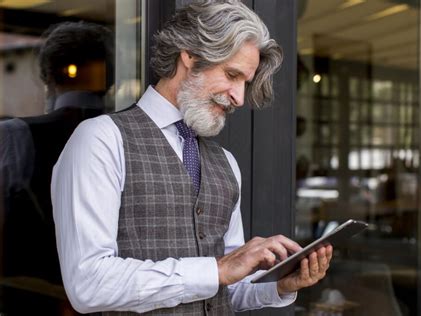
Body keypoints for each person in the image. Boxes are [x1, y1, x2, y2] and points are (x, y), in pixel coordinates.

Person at [51, 1, 333, 315]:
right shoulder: (101, 140)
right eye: (231, 74)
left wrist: (279, 285)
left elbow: (225, 288)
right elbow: (88, 284)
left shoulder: (226, 163)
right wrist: (217, 269)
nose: (239, 98)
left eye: (245, 83)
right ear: (190, 55)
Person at [1, 21, 113, 315]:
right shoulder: (137, 139)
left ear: (46, 76)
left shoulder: (14, 134)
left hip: (30, 299)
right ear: (111, 81)